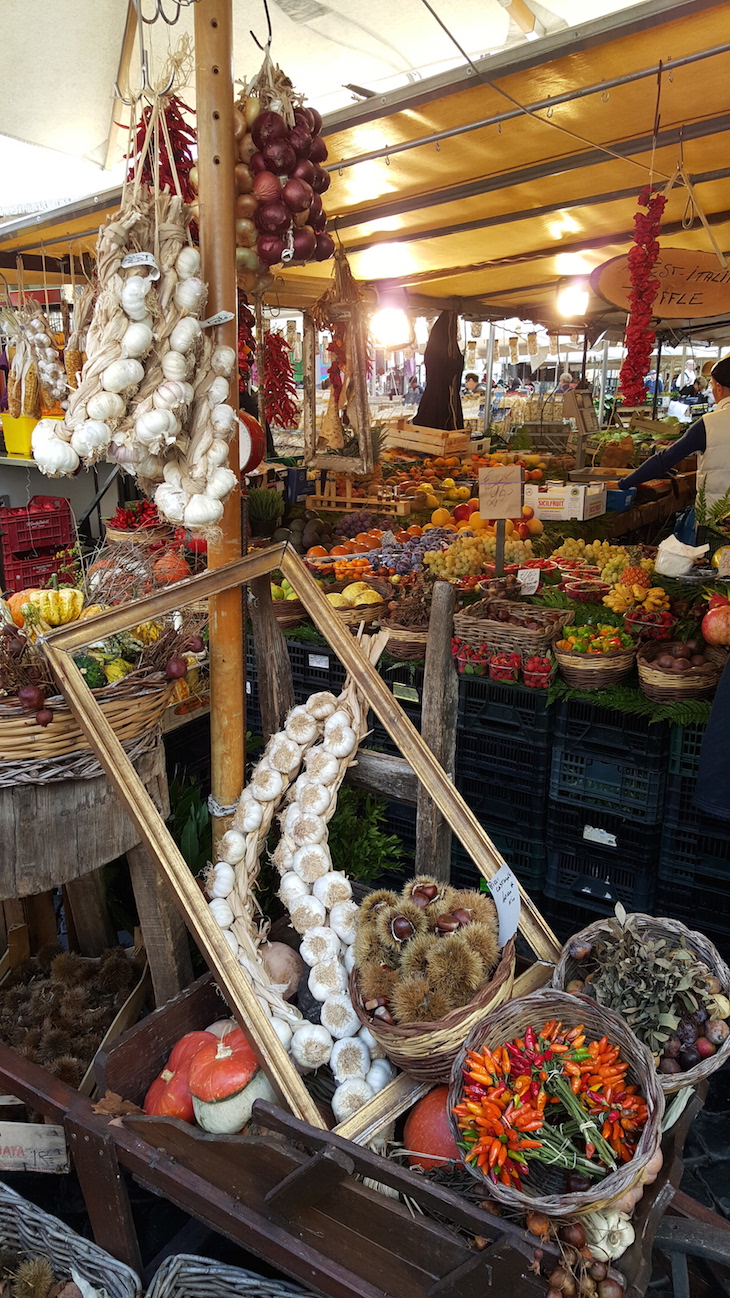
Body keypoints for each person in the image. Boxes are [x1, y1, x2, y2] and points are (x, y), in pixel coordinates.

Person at [620, 355, 730, 513]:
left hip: (716, 520)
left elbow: (664, 460)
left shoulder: (709, 424)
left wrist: (623, 484)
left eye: (712, 385)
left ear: (719, 387)